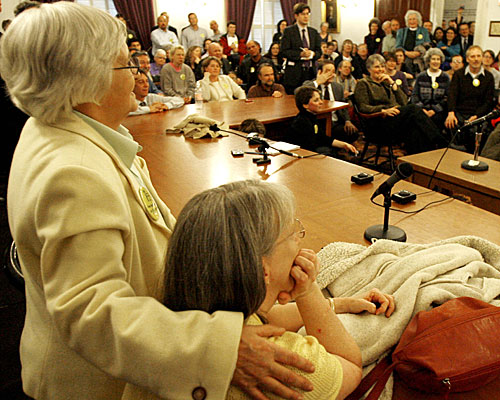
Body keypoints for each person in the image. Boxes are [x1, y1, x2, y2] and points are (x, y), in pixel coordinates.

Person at [1, 3, 320, 399]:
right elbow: (91, 313)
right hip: (98, 384)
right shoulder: (74, 172)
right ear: (88, 79)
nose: (137, 75)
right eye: (126, 66)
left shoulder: (73, 134)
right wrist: (219, 350)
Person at [123, 179, 397, 400]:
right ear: (264, 270)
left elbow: (269, 318)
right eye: (294, 234)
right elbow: (349, 366)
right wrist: (309, 290)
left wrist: (340, 304)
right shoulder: (274, 360)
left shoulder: (170, 328)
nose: (302, 241)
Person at [354, 54, 447, 154]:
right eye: (377, 67)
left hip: (394, 120)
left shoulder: (386, 82)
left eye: (382, 66)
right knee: (413, 109)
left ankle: (421, 159)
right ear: (369, 69)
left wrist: (392, 83)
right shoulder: (363, 83)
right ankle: (441, 142)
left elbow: (403, 101)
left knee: (415, 129)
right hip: (377, 123)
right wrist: (383, 110)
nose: (380, 69)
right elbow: (363, 107)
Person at [445, 45, 495, 151]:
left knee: (476, 131)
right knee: (453, 125)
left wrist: (476, 116)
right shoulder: (458, 74)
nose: (476, 59)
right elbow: (452, 95)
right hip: (459, 113)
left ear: (482, 58)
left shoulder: (489, 77)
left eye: (478, 56)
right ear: (467, 59)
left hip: (479, 115)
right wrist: (451, 112)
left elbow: (488, 101)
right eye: (472, 56)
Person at [289, 86, 358, 156]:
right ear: (305, 105)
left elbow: (322, 138)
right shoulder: (301, 122)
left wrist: (344, 145)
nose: (321, 102)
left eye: (320, 99)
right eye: (316, 100)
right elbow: (308, 147)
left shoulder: (312, 117)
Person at [303, 61, 359, 144]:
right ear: (320, 72)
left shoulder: (337, 87)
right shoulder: (311, 84)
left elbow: (343, 106)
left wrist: (347, 120)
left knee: (352, 133)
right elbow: (299, 92)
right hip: (318, 123)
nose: (331, 74)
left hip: (335, 121)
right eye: (327, 71)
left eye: (333, 72)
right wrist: (318, 82)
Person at [281, 3, 322, 94]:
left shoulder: (313, 32)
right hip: (294, 73)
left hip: (310, 72)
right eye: (303, 14)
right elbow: (284, 51)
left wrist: (312, 54)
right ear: (296, 15)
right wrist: (300, 54)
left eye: (307, 14)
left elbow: (319, 51)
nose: (306, 17)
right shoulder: (289, 31)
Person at [411, 48, 450, 131]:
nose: (435, 62)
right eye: (433, 59)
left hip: (439, 112)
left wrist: (434, 110)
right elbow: (415, 95)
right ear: (428, 61)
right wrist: (423, 109)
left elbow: (447, 97)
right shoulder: (421, 76)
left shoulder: (445, 77)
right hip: (422, 110)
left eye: (438, 59)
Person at [395, 10, 431, 75]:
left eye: (414, 19)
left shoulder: (424, 31)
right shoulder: (401, 31)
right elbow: (398, 46)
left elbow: (428, 44)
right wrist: (406, 52)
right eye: (410, 19)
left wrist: (418, 52)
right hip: (405, 57)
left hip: (420, 58)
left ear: (418, 20)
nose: (412, 21)